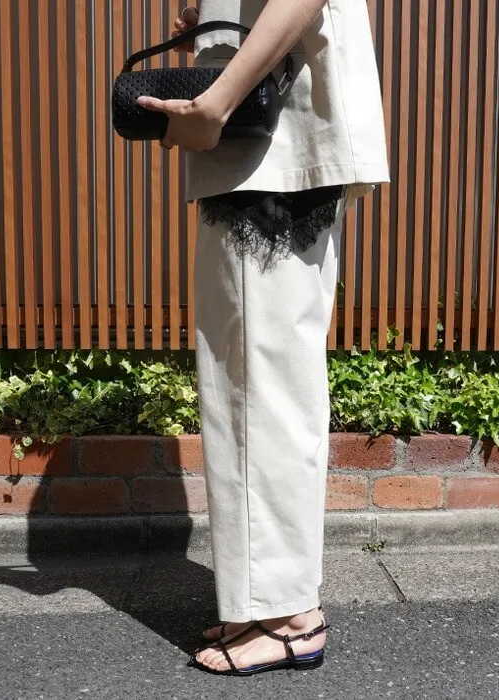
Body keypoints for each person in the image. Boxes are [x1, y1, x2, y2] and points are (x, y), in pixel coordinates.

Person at [137, 0, 389, 676]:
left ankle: (289, 616)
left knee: (262, 381)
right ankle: (264, 601)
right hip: (273, 139)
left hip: (270, 143)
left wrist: (218, 99)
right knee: (257, 374)